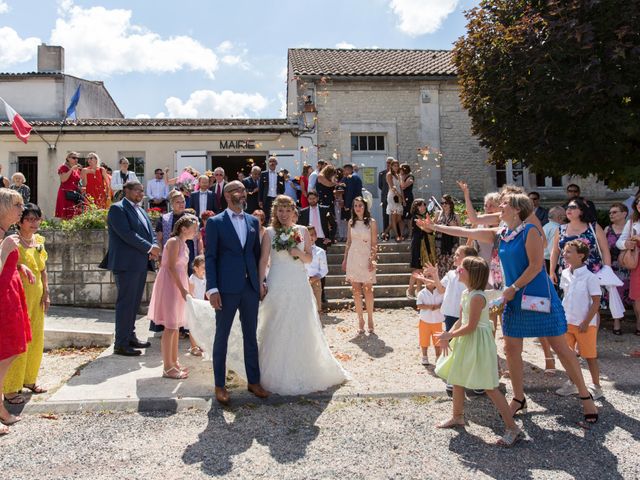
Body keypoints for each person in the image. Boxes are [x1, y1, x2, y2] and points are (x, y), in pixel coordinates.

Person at [496, 193, 597, 425]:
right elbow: (470, 231)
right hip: (514, 298)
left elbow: (534, 267)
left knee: (561, 348)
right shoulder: (502, 233)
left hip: (536, 295)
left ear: (517, 209)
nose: (500, 207)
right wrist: (435, 226)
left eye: (505, 204)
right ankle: (519, 398)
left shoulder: (530, 231)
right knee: (511, 349)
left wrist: (513, 287)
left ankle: (585, 395)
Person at [257, 194, 349, 394]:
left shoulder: (302, 231)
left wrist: (297, 253)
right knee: (277, 321)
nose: (283, 214)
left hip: (298, 281)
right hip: (278, 280)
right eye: (280, 210)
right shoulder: (269, 233)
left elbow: (309, 258)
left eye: (287, 210)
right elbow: (264, 259)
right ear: (275, 212)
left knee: (301, 322)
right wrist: (260, 283)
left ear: (293, 212)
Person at [434, 256, 523, 447]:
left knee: (489, 385)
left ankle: (513, 428)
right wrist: (448, 333)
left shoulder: (477, 297)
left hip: (478, 342)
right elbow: (461, 320)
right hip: (466, 340)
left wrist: (449, 336)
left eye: (462, 269)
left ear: (472, 274)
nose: (458, 270)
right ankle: (457, 416)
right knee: (457, 378)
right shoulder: (467, 293)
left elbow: (472, 326)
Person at [205, 181, 269, 405]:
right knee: (221, 336)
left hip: (250, 288)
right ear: (227, 195)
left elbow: (257, 255)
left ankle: (254, 381)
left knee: (251, 335)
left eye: (243, 190)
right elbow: (210, 257)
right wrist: (212, 288)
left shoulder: (253, 221)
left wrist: (261, 282)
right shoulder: (215, 222)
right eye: (238, 191)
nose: (243, 194)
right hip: (225, 289)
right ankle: (220, 385)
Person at [106, 181, 159, 356]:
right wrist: (149, 248)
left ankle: (130, 336)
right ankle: (120, 343)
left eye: (142, 191)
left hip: (139, 263)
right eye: (137, 190)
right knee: (126, 303)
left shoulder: (141, 209)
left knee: (134, 303)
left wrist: (154, 246)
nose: (140, 194)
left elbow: (150, 232)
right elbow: (127, 234)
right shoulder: (118, 209)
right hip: (126, 264)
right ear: (126, 191)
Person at [3, 204, 49, 405]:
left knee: (37, 337)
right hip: (18, 296)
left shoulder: (38, 241)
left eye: (36, 219)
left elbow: (42, 268)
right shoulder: (12, 242)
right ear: (20, 222)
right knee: (19, 340)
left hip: (37, 295)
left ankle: (29, 379)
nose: (33, 223)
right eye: (29, 219)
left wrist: (46, 291)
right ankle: (11, 388)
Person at [148, 215, 199, 379]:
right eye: (194, 229)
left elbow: (183, 269)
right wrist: (181, 289)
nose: (196, 232)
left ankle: (174, 361)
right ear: (184, 229)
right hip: (170, 285)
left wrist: (187, 288)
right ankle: (167, 367)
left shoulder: (185, 244)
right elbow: (170, 267)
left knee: (176, 325)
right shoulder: (173, 242)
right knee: (170, 327)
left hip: (179, 285)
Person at [557, 240, 603, 399]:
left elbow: (596, 301)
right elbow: (566, 296)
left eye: (569, 251)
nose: (565, 254)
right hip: (567, 321)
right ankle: (573, 383)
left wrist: (586, 321)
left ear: (581, 256)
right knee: (568, 355)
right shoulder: (564, 273)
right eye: (564, 251)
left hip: (585, 324)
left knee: (589, 356)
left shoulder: (591, 277)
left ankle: (596, 385)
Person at [0, 189, 30, 432]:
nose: (22, 210)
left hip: (10, 297)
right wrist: (5, 250)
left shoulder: (6, 234)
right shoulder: (5, 237)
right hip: (2, 301)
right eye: (17, 205)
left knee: (10, 352)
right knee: (5, 354)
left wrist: (20, 266)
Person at [549, 197, 610, 284]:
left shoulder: (594, 227)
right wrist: (551, 272)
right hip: (567, 275)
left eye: (573, 207)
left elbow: (605, 250)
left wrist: (607, 271)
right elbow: (555, 251)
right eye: (567, 207)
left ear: (581, 211)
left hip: (593, 273)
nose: (568, 209)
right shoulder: (560, 229)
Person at [342, 197, 378, 334]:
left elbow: (374, 243)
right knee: (356, 291)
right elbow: (348, 242)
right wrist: (345, 259)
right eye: (356, 205)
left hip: (367, 256)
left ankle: (370, 318)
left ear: (365, 207)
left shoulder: (372, 223)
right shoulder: (351, 222)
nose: (358, 208)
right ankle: (360, 320)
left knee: (368, 289)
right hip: (353, 257)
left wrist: (372, 259)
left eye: (360, 205)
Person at [616, 194, 640, 336]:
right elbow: (620, 242)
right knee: (638, 297)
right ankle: (639, 324)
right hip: (637, 262)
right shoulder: (632, 222)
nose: (639, 204)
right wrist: (627, 243)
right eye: (637, 202)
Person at [605, 203, 631, 334]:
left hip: (629, 266)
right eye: (610, 213)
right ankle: (617, 323)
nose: (611, 215)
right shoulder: (607, 230)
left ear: (624, 213)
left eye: (615, 212)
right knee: (615, 294)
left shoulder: (632, 228)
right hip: (613, 267)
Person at [406, 199, 436, 299]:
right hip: (418, 244)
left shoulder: (424, 217)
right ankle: (410, 289)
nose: (423, 207)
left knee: (422, 268)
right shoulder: (415, 218)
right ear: (416, 207)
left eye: (424, 205)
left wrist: (431, 225)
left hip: (424, 244)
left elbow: (430, 229)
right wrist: (431, 226)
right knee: (417, 268)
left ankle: (418, 291)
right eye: (421, 205)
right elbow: (428, 230)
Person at [415, 275, 444, 366]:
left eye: (431, 277)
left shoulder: (440, 292)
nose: (429, 279)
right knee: (424, 339)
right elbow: (419, 305)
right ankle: (424, 356)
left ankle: (438, 356)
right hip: (425, 320)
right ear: (424, 280)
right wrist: (429, 307)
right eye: (427, 277)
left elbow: (444, 302)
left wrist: (438, 306)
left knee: (438, 340)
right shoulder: (422, 293)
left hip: (437, 320)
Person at [434, 194, 461, 277]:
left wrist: (454, 226)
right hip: (440, 243)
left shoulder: (455, 215)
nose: (444, 205)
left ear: (450, 204)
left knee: (451, 263)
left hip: (452, 243)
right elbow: (433, 226)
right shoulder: (438, 214)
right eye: (442, 203)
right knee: (440, 264)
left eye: (446, 203)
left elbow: (461, 230)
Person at [306, 225, 328, 314]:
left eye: (312, 235)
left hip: (315, 280)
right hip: (302, 280)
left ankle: (318, 323)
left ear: (316, 237)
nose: (310, 237)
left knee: (317, 305)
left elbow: (324, 269)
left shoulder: (320, 252)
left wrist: (316, 277)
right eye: (307, 235)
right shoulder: (300, 251)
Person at [55, 151, 82, 219]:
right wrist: (71, 169)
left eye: (77, 158)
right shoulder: (64, 167)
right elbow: (63, 179)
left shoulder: (77, 169)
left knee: (74, 215)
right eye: (74, 158)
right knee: (65, 216)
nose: (76, 159)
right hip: (65, 194)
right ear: (68, 158)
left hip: (74, 194)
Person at [384, 159, 405, 242]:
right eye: (394, 166)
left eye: (397, 166)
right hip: (392, 196)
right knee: (393, 217)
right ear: (391, 166)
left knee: (399, 218)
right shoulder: (389, 175)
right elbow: (392, 187)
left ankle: (385, 232)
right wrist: (399, 196)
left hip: (399, 195)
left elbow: (400, 187)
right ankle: (397, 236)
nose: (396, 167)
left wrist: (403, 198)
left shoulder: (398, 175)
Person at [259, 157, 285, 222]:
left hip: (276, 198)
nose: (272, 163)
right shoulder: (263, 174)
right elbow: (261, 188)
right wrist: (260, 200)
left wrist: (280, 196)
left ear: (276, 163)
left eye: (274, 161)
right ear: (268, 163)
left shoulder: (280, 175)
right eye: (270, 161)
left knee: (277, 215)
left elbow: (283, 188)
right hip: (266, 198)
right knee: (266, 215)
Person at [543, 207, 566, 274]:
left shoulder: (546, 226)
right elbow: (553, 250)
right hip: (550, 262)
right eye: (565, 216)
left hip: (545, 261)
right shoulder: (556, 229)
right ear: (560, 217)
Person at [378, 157, 392, 235]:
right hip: (385, 197)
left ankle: (396, 234)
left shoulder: (396, 174)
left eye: (390, 163)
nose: (388, 164)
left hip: (394, 197)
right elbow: (380, 186)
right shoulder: (382, 173)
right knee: (385, 216)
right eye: (387, 162)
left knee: (395, 215)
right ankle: (386, 234)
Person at [400, 163, 414, 235]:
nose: (399, 171)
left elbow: (403, 186)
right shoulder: (400, 176)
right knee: (401, 217)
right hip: (401, 198)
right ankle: (401, 234)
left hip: (408, 198)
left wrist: (402, 178)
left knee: (408, 217)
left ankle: (410, 234)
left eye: (401, 169)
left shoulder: (410, 177)